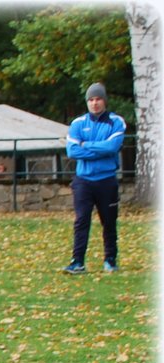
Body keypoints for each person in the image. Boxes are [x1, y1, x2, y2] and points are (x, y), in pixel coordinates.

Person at [63, 82, 126, 274]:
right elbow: (72, 151)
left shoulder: (116, 122)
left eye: (98, 99)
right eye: (91, 100)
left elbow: (112, 147)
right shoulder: (78, 124)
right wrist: (98, 148)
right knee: (81, 220)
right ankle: (78, 261)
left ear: (104, 101)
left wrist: (86, 145)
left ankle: (110, 259)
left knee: (108, 221)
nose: (95, 103)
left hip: (106, 180)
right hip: (84, 180)